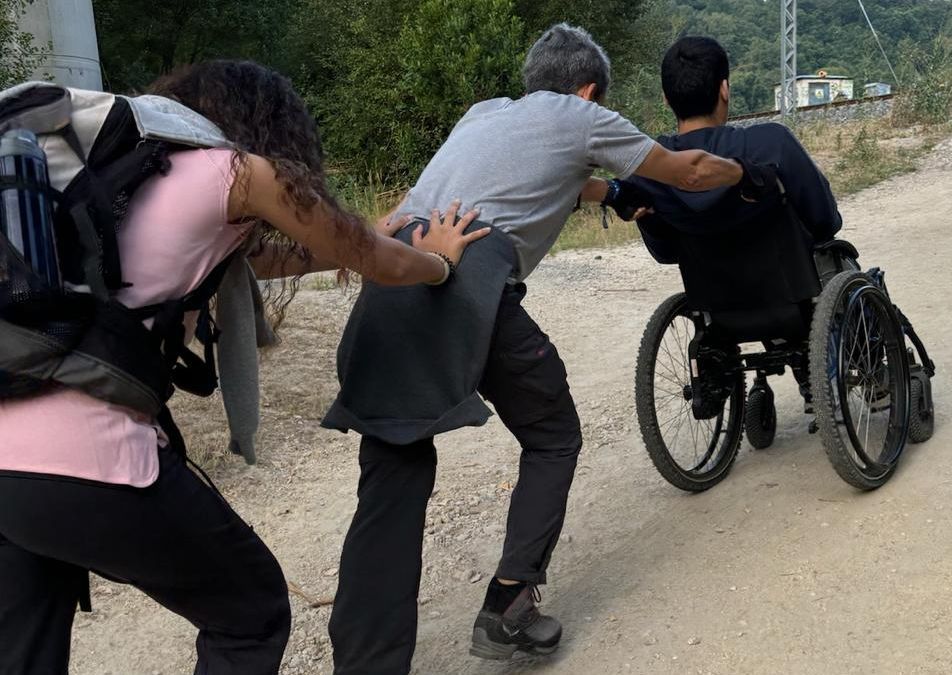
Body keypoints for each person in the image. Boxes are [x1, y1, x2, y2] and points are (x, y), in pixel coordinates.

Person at [0, 60, 483, 675]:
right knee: (249, 615)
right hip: (81, 456)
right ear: (267, 121)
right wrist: (437, 263)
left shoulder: (123, 178)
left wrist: (357, 238)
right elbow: (378, 262)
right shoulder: (236, 169)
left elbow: (266, 260)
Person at [322, 23, 754, 674]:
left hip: (395, 270)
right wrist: (745, 168)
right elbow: (688, 170)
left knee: (391, 475)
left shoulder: (484, 115)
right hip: (469, 277)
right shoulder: (582, 118)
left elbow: (421, 204)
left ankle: (363, 661)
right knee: (554, 434)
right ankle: (508, 605)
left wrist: (607, 190)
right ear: (587, 91)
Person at [626, 36, 843, 405]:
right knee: (836, 258)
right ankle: (826, 368)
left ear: (666, 99)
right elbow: (824, 221)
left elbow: (665, 253)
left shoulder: (651, 168)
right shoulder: (770, 143)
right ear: (724, 89)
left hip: (716, 309)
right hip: (794, 299)